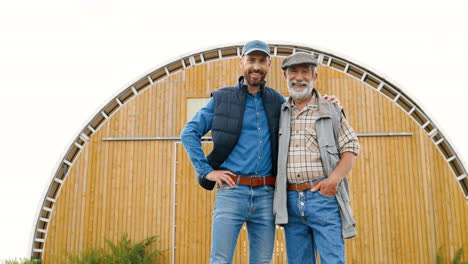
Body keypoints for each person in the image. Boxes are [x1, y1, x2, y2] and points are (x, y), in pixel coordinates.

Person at [181, 41, 340, 264]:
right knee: (220, 259)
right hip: (231, 192)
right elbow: (189, 133)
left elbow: (304, 108)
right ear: (241, 62)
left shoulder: (278, 101)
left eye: (261, 61)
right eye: (251, 60)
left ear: (269, 65)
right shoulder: (221, 99)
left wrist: (327, 102)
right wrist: (207, 171)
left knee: (262, 261)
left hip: (267, 195)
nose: (256, 66)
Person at [273, 52, 360, 264]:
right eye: (294, 72)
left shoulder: (331, 110)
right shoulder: (279, 112)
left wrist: (333, 180)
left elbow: (351, 147)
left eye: (306, 72)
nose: (299, 77)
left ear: (315, 77)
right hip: (291, 201)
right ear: (285, 75)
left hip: (324, 198)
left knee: (333, 261)